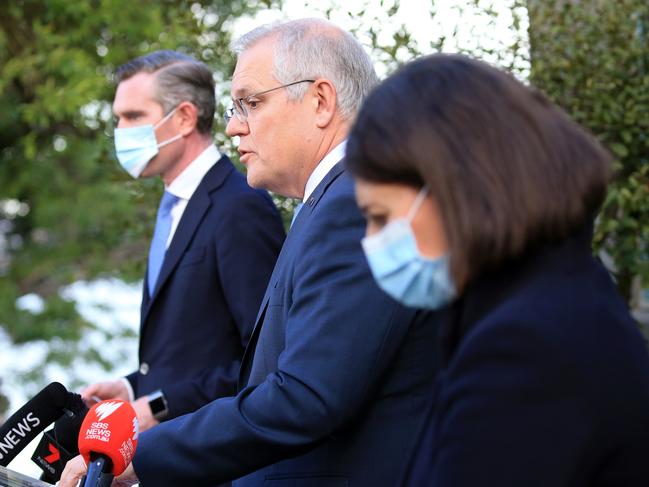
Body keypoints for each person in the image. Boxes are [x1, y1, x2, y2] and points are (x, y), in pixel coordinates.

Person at [61, 19, 439, 487]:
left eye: (252, 103)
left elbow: (304, 397)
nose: (234, 126)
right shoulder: (334, 203)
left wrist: (141, 453)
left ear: (320, 101)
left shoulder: (356, 205)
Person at [345, 53, 649, 485]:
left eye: (379, 216)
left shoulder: (524, 348)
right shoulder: (563, 297)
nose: (371, 241)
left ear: (457, 190)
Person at [81, 50, 285, 432]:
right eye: (118, 119)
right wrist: (132, 387)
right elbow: (190, 349)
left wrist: (158, 405)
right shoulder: (173, 205)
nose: (122, 131)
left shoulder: (238, 206)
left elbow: (265, 355)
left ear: (186, 118)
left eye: (134, 117)